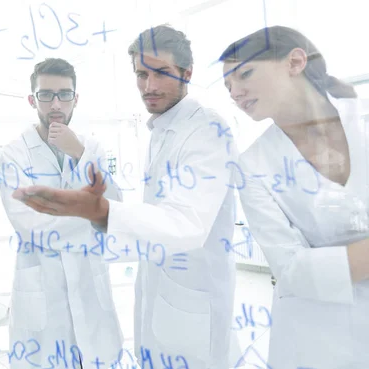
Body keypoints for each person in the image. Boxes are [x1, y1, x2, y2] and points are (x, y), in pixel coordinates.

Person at [12, 26, 240, 369]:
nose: (149, 86)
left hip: (192, 311)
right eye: (141, 74)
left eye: (160, 73)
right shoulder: (163, 129)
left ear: (186, 73)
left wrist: (100, 211)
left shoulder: (205, 131)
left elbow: (186, 224)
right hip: (157, 301)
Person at [220, 25, 369, 368]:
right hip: (314, 334)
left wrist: (339, 262)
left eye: (245, 74)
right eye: (228, 87)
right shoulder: (252, 163)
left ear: (295, 61)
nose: (236, 93)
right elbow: (290, 268)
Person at [0, 58, 124, 369]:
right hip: (43, 295)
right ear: (32, 99)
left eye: (65, 94)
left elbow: (117, 206)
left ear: (76, 98)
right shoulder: (12, 154)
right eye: (46, 94)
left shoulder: (90, 147)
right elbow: (31, 227)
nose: (56, 104)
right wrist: (93, 216)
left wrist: (79, 154)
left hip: (89, 291)